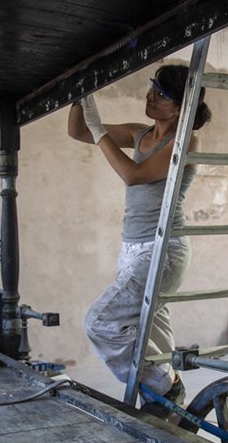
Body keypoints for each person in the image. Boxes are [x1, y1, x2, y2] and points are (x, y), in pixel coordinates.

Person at [68, 65, 211, 416]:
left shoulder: (186, 141)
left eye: (161, 94)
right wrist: (80, 96)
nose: (150, 95)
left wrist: (100, 130)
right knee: (148, 333)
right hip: (132, 247)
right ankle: (164, 407)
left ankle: (166, 388)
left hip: (164, 249)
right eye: (152, 87)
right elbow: (77, 131)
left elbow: (133, 175)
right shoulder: (139, 133)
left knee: (100, 322)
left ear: (179, 107)